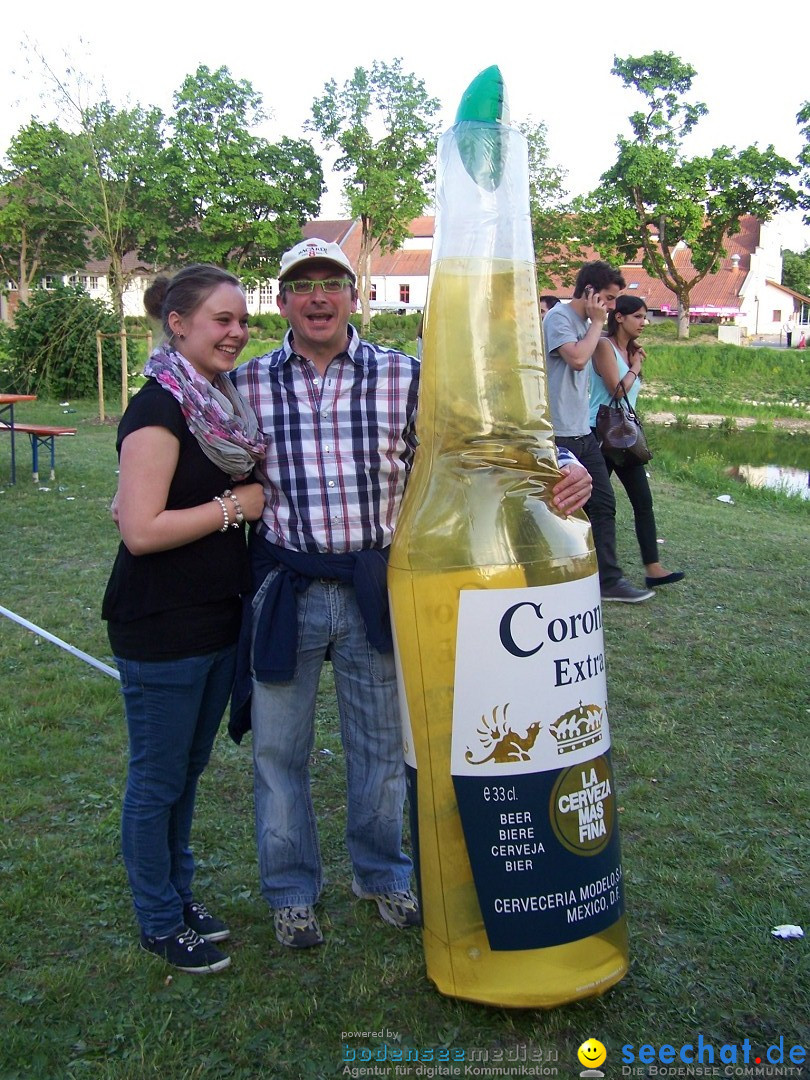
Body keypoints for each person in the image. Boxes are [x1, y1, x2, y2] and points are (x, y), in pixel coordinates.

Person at [230, 238, 593, 950]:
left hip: (375, 585)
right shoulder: (246, 386)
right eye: (301, 286)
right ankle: (292, 892)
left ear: (354, 294)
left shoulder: (405, 377)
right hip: (288, 585)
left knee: (380, 746)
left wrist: (568, 462)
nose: (317, 298)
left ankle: (381, 873)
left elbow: (485, 429)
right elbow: (186, 439)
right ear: (282, 301)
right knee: (278, 752)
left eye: (331, 283)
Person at [102, 265, 266, 975]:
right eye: (220, 320)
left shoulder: (219, 404)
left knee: (187, 771)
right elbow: (140, 529)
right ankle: (159, 920)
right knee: (159, 777)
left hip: (214, 617)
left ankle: (179, 892)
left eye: (241, 321)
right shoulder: (159, 407)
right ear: (178, 322)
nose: (235, 333)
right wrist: (237, 507)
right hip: (161, 621)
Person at [543, 260, 654, 603]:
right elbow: (577, 359)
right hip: (558, 433)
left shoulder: (588, 323)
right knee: (560, 508)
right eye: (607, 298)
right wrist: (598, 323)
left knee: (603, 504)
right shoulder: (559, 318)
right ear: (589, 292)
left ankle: (608, 579)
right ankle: (561, 574)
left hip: (583, 432)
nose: (611, 306)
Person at [591, 296, 685, 589]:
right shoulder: (604, 346)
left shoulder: (629, 350)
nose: (644, 322)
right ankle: (584, 567)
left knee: (643, 501)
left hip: (624, 436)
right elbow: (617, 391)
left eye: (645, 317)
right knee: (594, 506)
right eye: (638, 317)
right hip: (600, 434)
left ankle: (653, 568)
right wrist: (634, 366)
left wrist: (634, 360)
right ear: (619, 317)